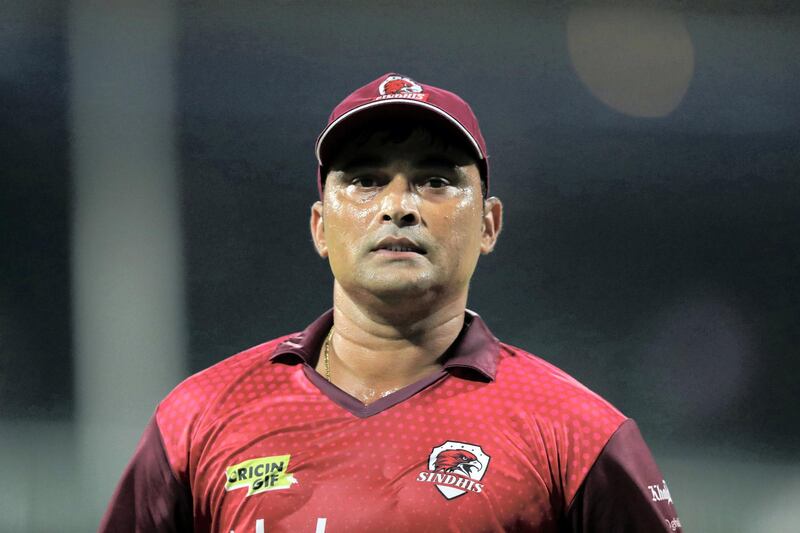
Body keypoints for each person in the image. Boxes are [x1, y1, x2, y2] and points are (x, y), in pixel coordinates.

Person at [100, 73, 682, 532]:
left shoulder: (577, 436)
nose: (397, 205)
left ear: (489, 223)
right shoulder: (200, 418)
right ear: (321, 226)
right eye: (365, 180)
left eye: (434, 181)